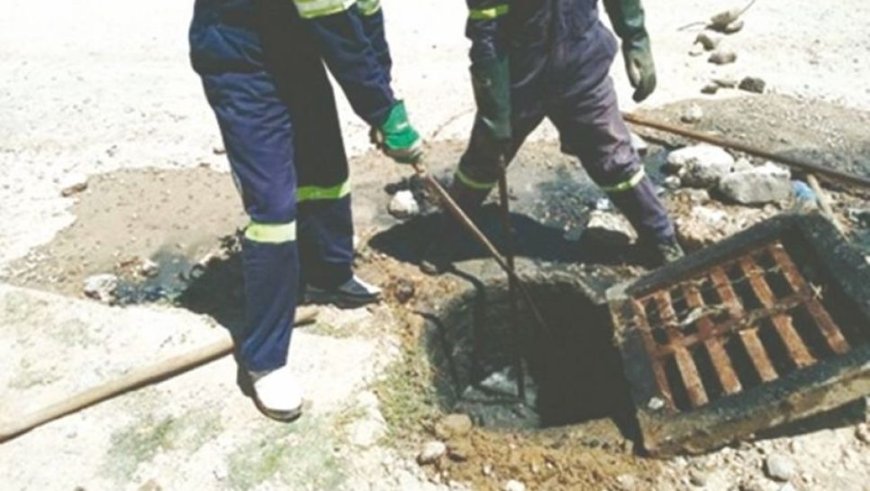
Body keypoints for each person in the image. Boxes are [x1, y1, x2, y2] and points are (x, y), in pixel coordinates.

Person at [189, 0, 422, 421]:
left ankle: (327, 276)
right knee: (274, 209)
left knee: (325, 169)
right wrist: (381, 109)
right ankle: (265, 360)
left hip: (294, 41)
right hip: (236, 52)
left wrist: (387, 101)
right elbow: (337, 26)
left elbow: (366, 13)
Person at [422, 0, 684, 274]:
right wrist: (494, 112)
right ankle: (450, 233)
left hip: (583, 70)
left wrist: (636, 37)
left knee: (615, 158)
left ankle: (660, 240)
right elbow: (486, 32)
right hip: (518, 82)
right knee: (484, 160)